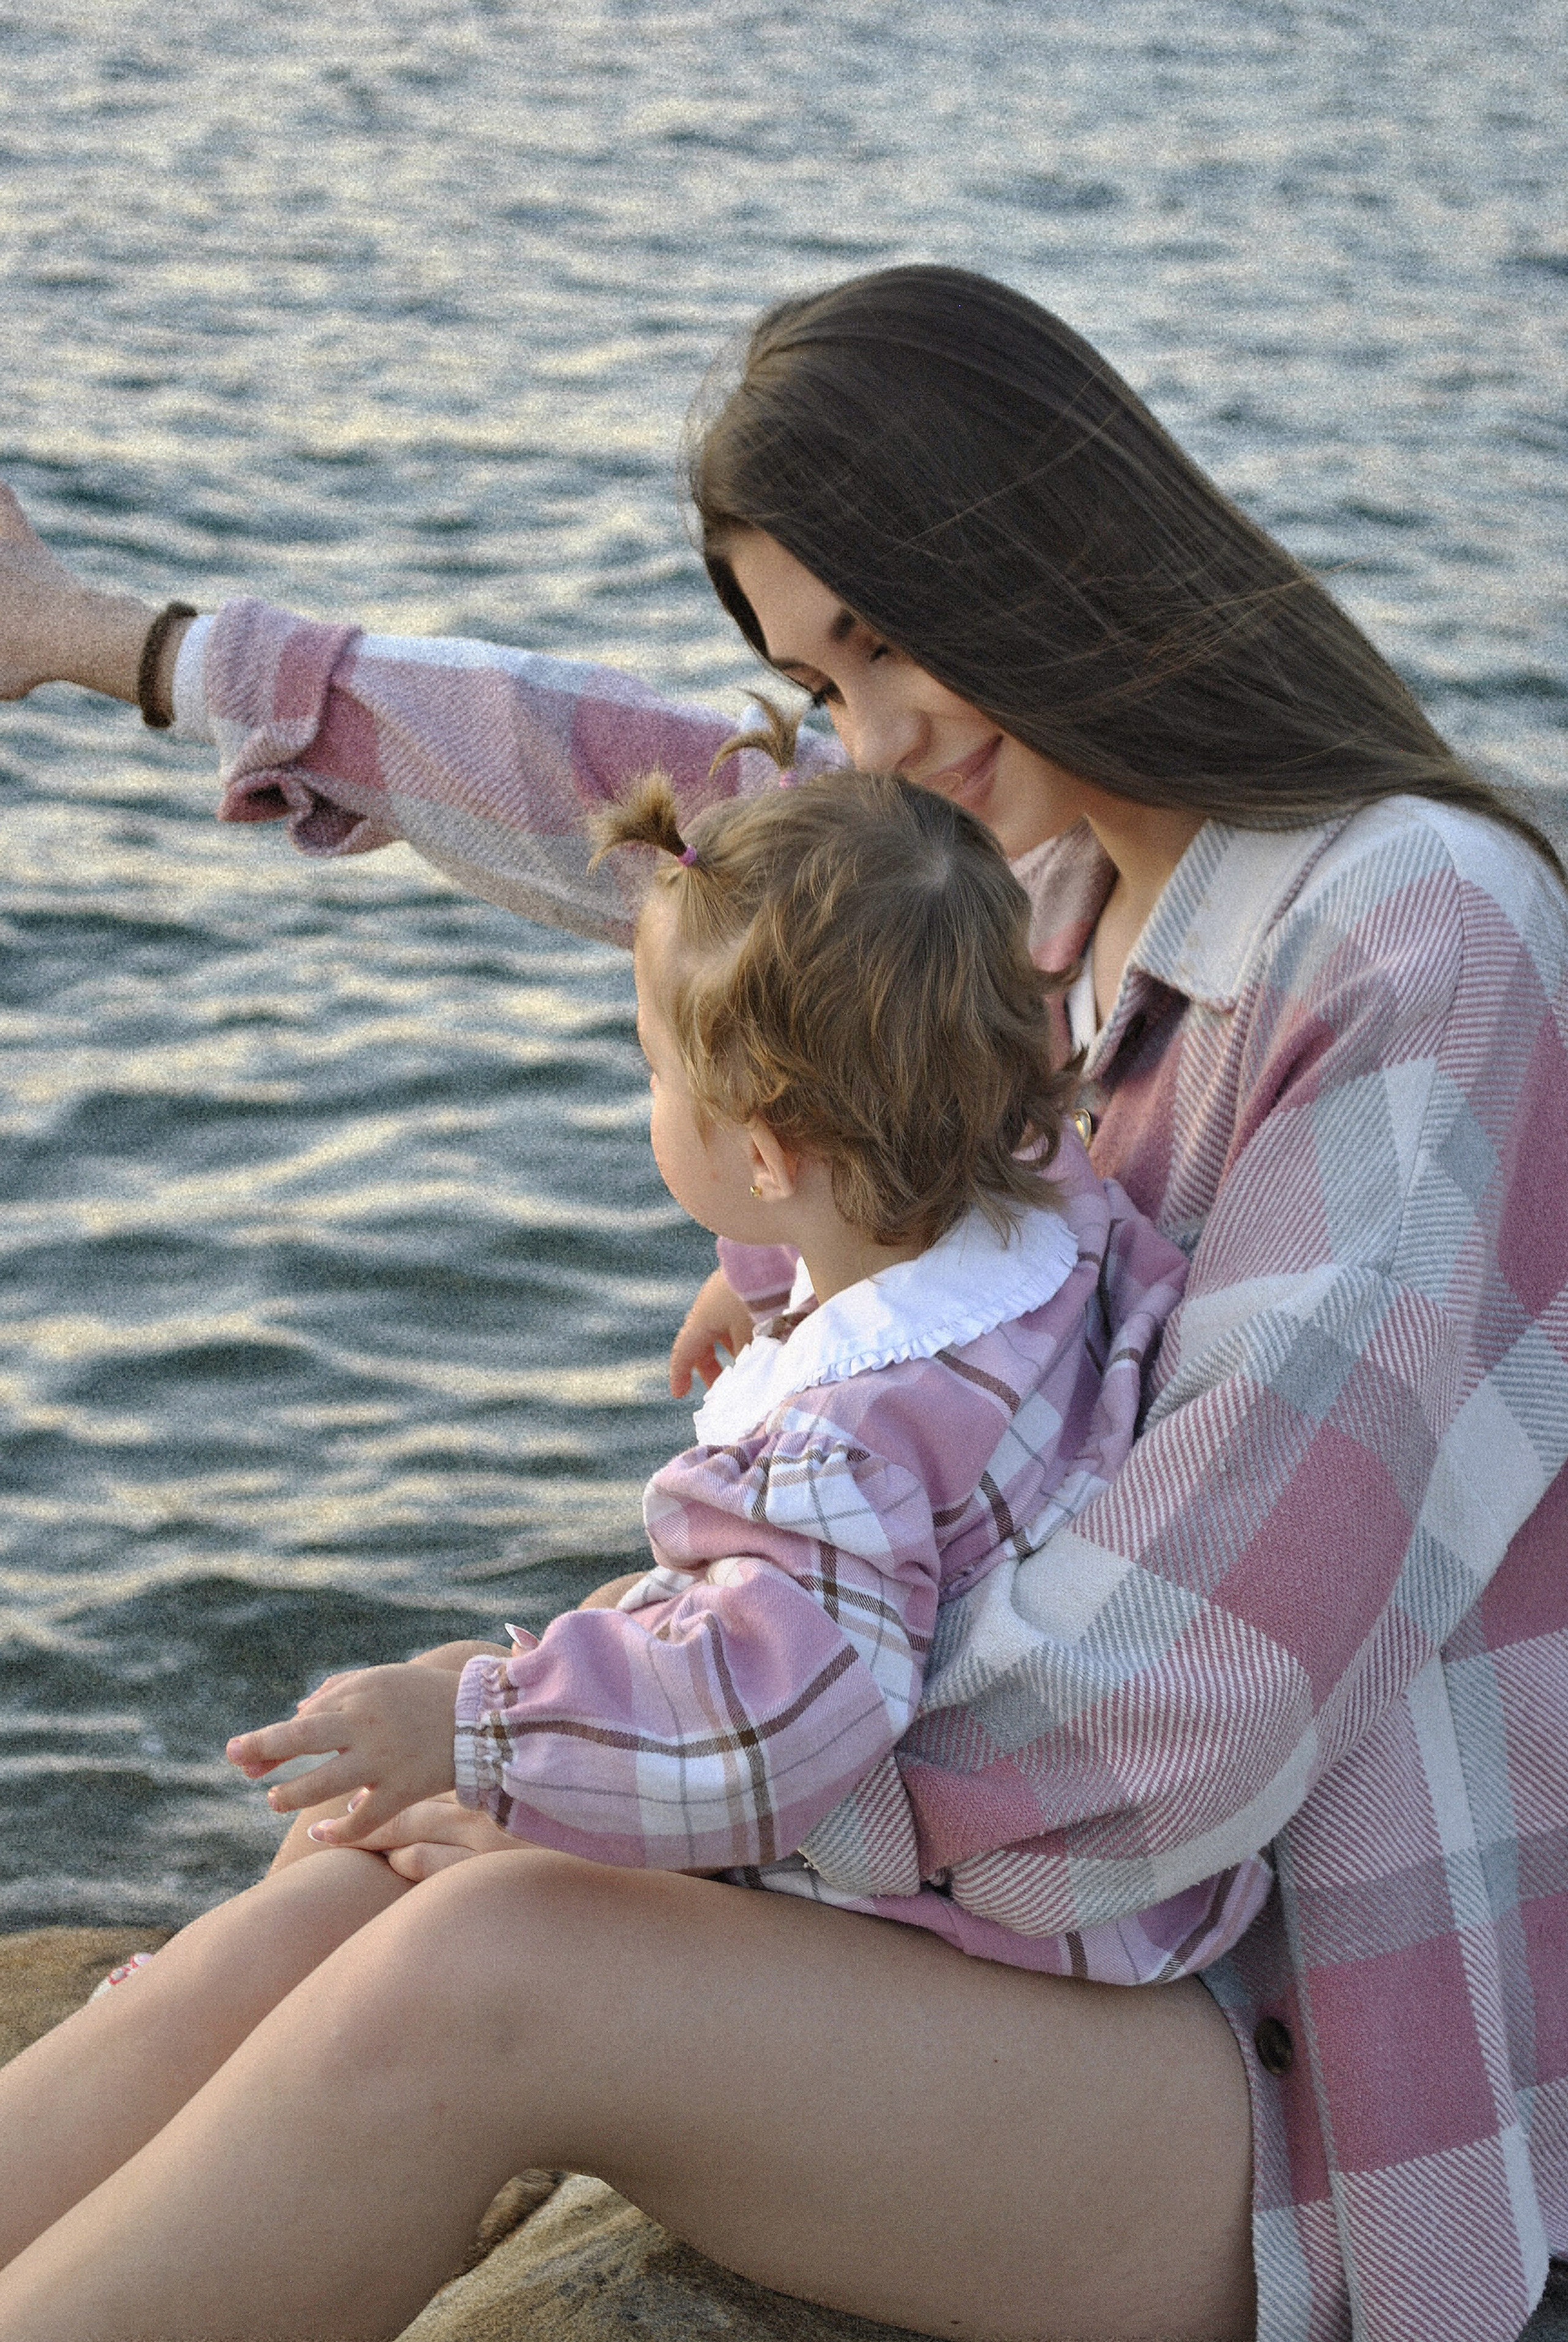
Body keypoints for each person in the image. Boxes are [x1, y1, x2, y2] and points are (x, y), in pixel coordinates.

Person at [0, 262, 1562, 2342]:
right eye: (823, 678)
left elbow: (1177, 1710)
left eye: (888, 639)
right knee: (345, 1877)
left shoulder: (1417, 942)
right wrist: (107, 639)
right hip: (1025, 1955)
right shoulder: (1025, 870)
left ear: (1052, 539)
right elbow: (629, 797)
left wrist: (624, 1777)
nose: (872, 736)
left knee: (493, 1955)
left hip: (1297, 2062)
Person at [219, 761, 1268, 1989]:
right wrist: (768, 1273)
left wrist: (481, 1741)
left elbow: (773, 1732)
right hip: (1064, 1815)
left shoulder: (842, 1450)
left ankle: (217, 2003)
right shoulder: (1052, 1205)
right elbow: (888, 1180)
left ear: (767, 1155)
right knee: (462, 1693)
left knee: (433, 1737)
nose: (652, 1095)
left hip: (920, 1896)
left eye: (656, 1071)